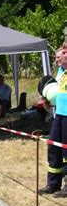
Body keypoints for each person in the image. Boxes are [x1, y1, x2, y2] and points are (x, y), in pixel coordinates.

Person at [39, 47, 67, 198]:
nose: (58, 59)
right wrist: (49, 101)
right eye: (56, 57)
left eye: (62, 54)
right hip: (60, 115)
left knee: (66, 151)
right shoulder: (61, 72)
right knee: (53, 146)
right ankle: (53, 184)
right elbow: (57, 91)